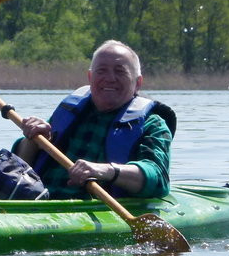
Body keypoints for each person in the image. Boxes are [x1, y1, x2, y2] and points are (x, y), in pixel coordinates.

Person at [15, 40, 175, 199]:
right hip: (39, 201)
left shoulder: (153, 124)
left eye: (120, 71)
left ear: (138, 83)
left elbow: (158, 178)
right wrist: (33, 140)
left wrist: (106, 171)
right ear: (90, 77)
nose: (110, 78)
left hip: (94, 211)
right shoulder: (69, 112)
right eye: (101, 71)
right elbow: (19, 168)